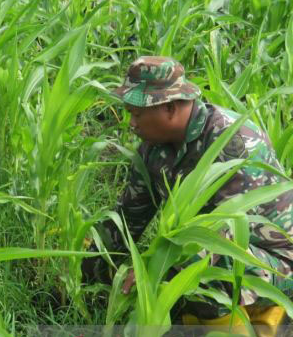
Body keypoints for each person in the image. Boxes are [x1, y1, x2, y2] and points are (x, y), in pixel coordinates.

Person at [84, 56, 293, 329]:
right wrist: (86, 274)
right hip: (210, 247)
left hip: (273, 261)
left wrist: (156, 270)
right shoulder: (153, 148)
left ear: (169, 108)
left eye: (137, 114)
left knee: (201, 275)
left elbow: (222, 238)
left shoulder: (232, 144)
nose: (131, 124)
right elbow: (127, 218)